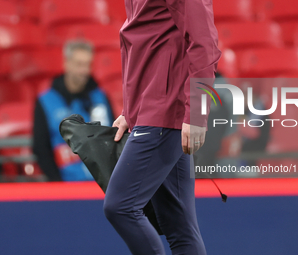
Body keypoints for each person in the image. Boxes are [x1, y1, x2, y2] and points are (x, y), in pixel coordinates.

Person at [103, 1, 221, 255]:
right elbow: (149, 43)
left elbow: (205, 42)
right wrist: (131, 111)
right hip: (155, 109)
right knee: (180, 227)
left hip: (164, 112)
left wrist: (198, 113)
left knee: (120, 206)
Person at [32, 40, 114, 182]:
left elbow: (113, 136)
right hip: (66, 185)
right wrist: (58, 183)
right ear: (66, 63)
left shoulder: (101, 97)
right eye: (79, 64)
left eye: (88, 64)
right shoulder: (46, 101)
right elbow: (41, 148)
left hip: (102, 184)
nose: (85, 71)